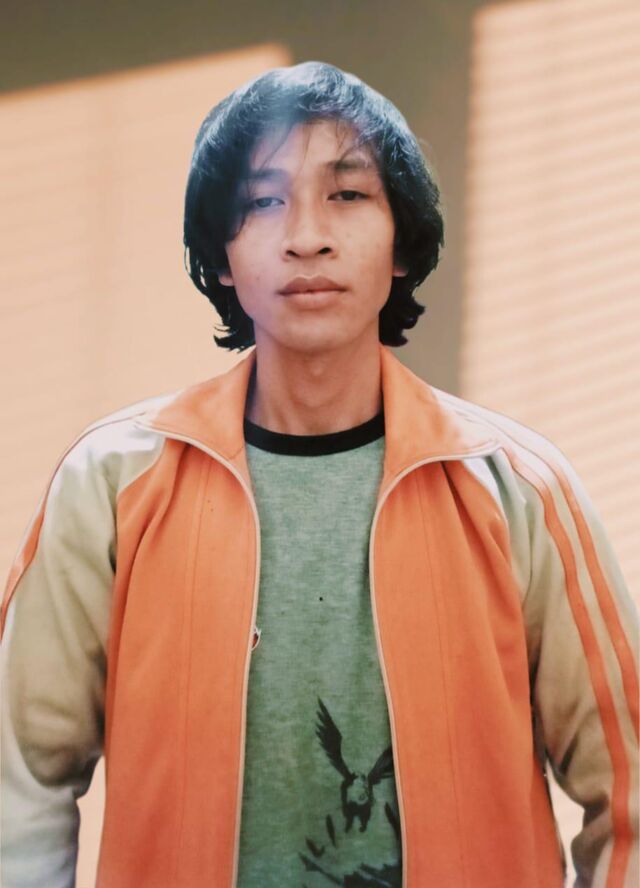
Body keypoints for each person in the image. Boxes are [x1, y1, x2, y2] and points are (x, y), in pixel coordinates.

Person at [1, 60, 637, 888]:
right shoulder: (112, 483)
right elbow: (18, 780)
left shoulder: (516, 489)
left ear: (402, 243)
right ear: (221, 257)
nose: (307, 236)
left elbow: (628, 791)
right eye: (264, 201)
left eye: (347, 194)